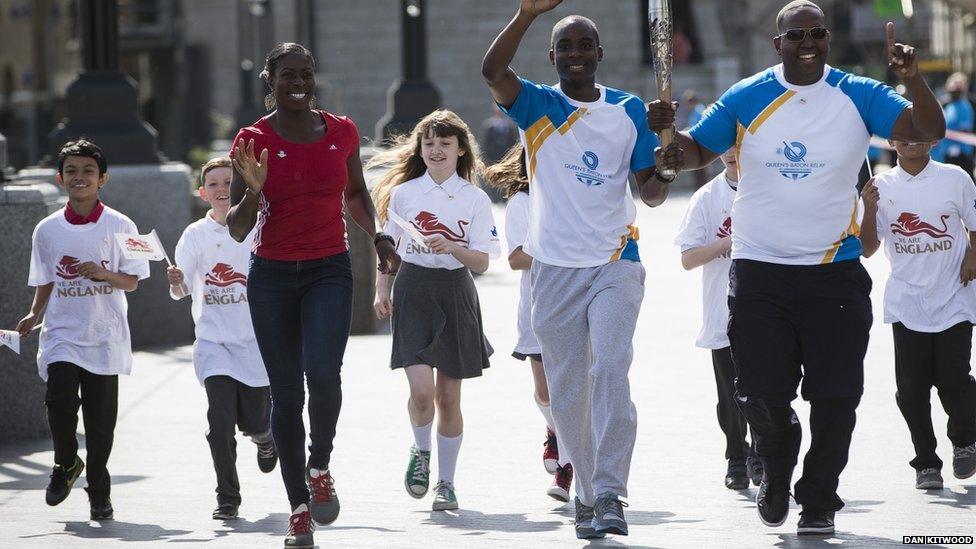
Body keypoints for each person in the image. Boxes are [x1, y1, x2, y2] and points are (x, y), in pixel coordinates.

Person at [647, 0, 945, 535]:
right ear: (776, 43)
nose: (808, 42)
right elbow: (691, 153)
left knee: (836, 397)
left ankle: (819, 497)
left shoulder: (860, 94)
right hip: (760, 270)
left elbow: (929, 126)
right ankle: (777, 468)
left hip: (834, 272)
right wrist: (668, 140)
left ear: (827, 38)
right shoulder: (747, 95)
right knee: (760, 393)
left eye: (817, 33)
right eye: (796, 34)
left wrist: (913, 78)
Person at [482, 0, 677, 539]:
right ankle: (586, 496)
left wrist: (664, 164)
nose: (574, 54)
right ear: (551, 55)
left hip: (616, 261)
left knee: (610, 368)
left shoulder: (631, 110)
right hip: (555, 268)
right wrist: (524, 13)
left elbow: (652, 194)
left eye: (584, 45)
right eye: (564, 46)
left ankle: (611, 491)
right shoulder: (536, 107)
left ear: (599, 53)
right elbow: (492, 72)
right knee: (567, 391)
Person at [225, 42, 401, 549]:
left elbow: (354, 194)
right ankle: (298, 508)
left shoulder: (342, 131)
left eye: (305, 74)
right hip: (273, 276)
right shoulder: (252, 140)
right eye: (287, 75)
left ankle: (320, 464)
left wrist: (379, 235)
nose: (298, 83)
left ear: (314, 78)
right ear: (270, 80)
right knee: (286, 393)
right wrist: (254, 191)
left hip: (329, 268)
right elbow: (237, 230)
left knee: (323, 374)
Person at [370, 110, 499, 512]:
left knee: (448, 397)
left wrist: (454, 247)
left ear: (461, 149)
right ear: (420, 150)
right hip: (413, 290)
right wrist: (381, 290)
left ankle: (446, 482)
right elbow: (386, 249)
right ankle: (420, 452)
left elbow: (481, 262)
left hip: (456, 292)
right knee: (421, 392)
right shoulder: (405, 194)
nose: (436, 150)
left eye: (445, 143)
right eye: (429, 144)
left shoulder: (475, 199)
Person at [17, 139, 150, 521]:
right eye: (72, 171)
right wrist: (32, 314)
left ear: (102, 179)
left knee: (100, 422)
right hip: (61, 332)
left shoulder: (122, 224)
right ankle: (65, 463)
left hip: (105, 336)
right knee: (59, 403)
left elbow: (133, 282)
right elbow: (45, 279)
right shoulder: (46, 229)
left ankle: (99, 492)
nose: (80, 178)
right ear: (60, 179)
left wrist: (104, 272)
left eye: (88, 171)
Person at [860, 140, 976, 490]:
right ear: (891, 142)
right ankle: (926, 461)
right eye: (902, 134)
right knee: (911, 389)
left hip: (954, 294)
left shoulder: (954, 177)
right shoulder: (880, 186)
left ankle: (964, 440)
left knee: (954, 379)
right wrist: (867, 208)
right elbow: (867, 248)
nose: (911, 141)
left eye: (919, 132)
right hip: (908, 301)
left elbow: (973, 222)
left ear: (934, 139)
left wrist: (972, 255)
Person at [166, 157, 278, 521]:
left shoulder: (258, 228)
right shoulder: (194, 235)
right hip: (213, 342)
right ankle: (227, 496)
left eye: (228, 182)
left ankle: (264, 437)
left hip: (255, 342)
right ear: (203, 193)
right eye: (212, 183)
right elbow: (183, 288)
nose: (221, 189)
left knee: (254, 421)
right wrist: (176, 279)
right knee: (219, 421)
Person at [484, 142, 574, 502]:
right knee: (545, 393)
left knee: (571, 391)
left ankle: (567, 470)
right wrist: (562, 249)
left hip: (574, 303)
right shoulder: (521, 203)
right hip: (538, 306)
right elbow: (517, 258)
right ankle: (554, 431)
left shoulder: (574, 196)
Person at [674, 148, 761, 490]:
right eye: (724, 146)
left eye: (737, 144)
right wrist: (728, 241)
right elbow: (688, 258)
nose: (730, 154)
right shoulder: (706, 198)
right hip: (722, 312)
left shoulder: (770, 190)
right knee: (730, 394)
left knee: (764, 390)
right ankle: (736, 458)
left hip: (766, 311)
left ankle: (763, 454)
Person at [931, 72, 974, 180]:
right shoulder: (948, 105)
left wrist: (956, 148)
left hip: (960, 153)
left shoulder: (965, 107)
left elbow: (964, 129)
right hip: (946, 152)